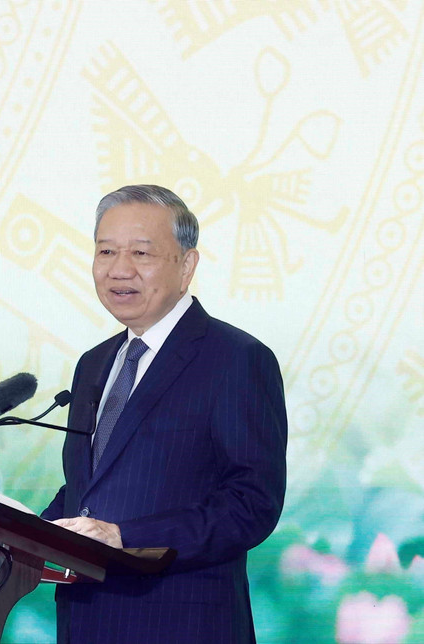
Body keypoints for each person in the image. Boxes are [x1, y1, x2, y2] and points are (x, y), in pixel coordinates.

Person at [41, 185, 287, 644]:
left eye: (141, 253)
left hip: (182, 625)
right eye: (106, 251)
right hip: (86, 622)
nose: (119, 269)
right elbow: (88, 490)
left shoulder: (235, 359)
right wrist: (26, 530)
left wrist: (125, 536)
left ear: (187, 266)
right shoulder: (94, 363)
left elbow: (252, 503)